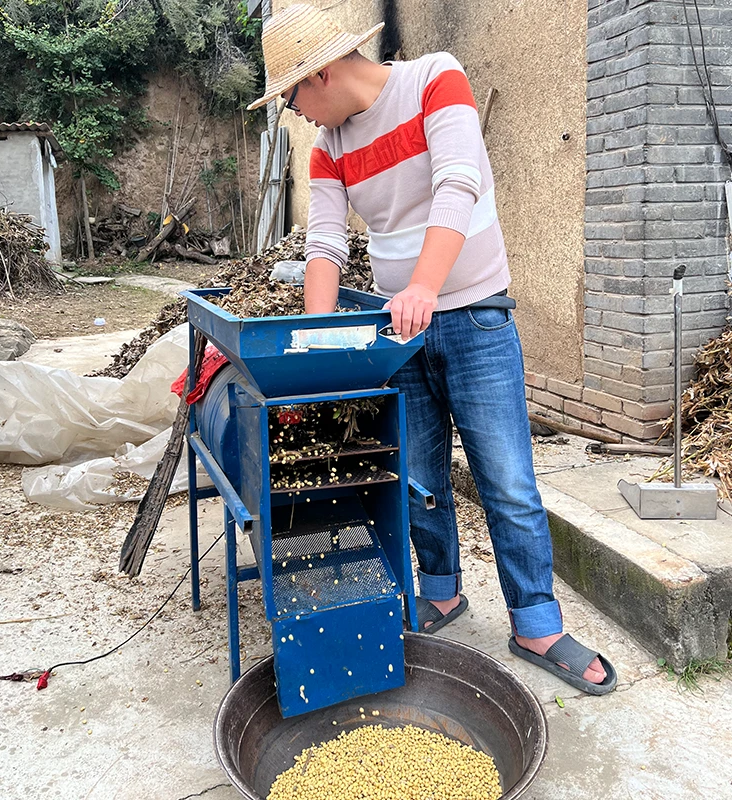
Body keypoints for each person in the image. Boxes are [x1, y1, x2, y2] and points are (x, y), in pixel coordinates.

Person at [247, 3, 616, 695]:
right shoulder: (328, 149)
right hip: (401, 333)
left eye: (291, 99)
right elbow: (324, 243)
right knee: (417, 479)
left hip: (475, 318)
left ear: (320, 75)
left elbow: (457, 183)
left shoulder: (435, 80)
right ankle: (441, 592)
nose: (295, 115)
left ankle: (537, 623)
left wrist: (424, 285)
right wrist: (317, 346)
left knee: (507, 480)